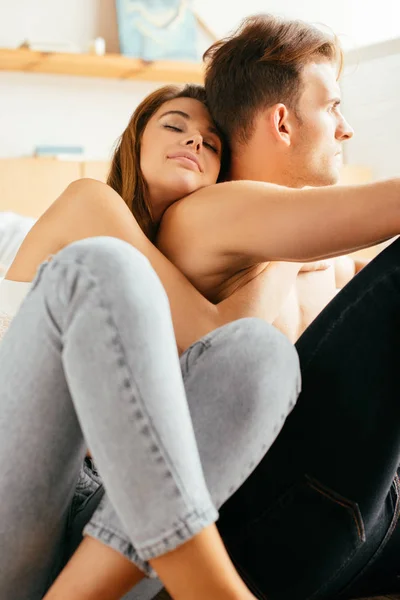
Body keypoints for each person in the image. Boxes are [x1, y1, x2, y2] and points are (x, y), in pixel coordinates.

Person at [58, 14, 400, 600]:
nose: (346, 129)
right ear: (282, 121)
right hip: (272, 518)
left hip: (365, 517)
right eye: (334, 106)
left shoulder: (321, 254)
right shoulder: (209, 213)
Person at [0, 85, 301, 600]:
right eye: (175, 124)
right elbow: (211, 330)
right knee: (108, 267)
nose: (194, 142)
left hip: (114, 506)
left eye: (212, 143)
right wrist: (293, 243)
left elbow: (237, 353)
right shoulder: (89, 204)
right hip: (16, 486)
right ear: (136, 140)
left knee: (265, 353)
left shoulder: (205, 281)